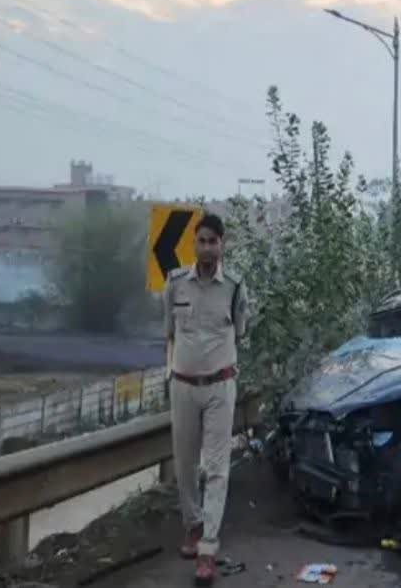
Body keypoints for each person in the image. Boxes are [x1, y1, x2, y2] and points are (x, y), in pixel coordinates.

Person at [163, 213, 248, 587]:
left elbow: (240, 330)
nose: (208, 247)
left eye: (214, 241)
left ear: (222, 244)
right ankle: (194, 526)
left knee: (217, 468)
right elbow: (168, 331)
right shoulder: (175, 284)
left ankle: (208, 550)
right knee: (185, 466)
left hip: (219, 387)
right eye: (202, 240)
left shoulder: (233, 287)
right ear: (194, 244)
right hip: (182, 386)